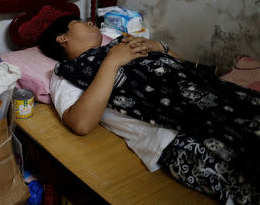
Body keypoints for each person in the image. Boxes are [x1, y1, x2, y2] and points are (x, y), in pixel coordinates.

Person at [38, 15, 260, 205]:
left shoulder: (120, 44)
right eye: (79, 22)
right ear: (62, 38)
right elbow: (81, 123)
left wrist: (160, 47)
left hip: (218, 99)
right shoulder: (67, 73)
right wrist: (112, 63)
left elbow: (184, 72)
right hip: (180, 134)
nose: (90, 21)